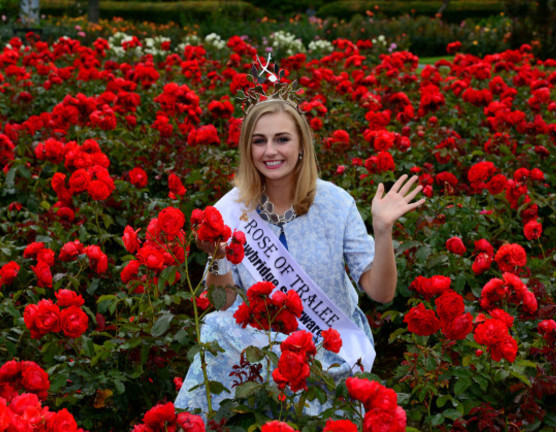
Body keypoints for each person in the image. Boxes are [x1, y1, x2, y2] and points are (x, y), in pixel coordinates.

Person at [175, 78, 425, 416]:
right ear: (248, 150)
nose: (271, 151)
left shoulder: (336, 203)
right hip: (257, 352)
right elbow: (224, 303)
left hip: (327, 350)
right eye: (259, 141)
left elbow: (381, 293)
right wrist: (219, 255)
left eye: (282, 139)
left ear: (301, 145)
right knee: (217, 330)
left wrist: (382, 232)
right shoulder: (231, 209)